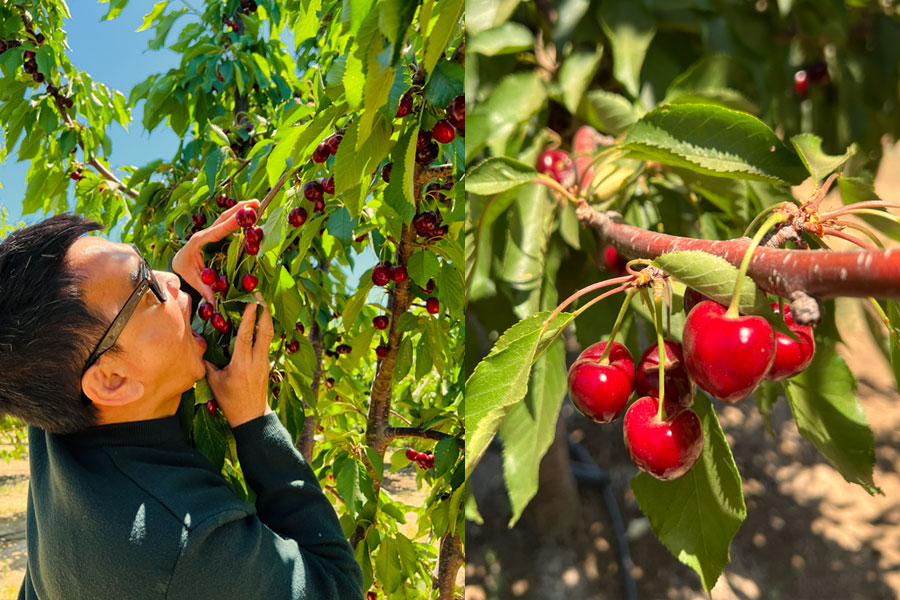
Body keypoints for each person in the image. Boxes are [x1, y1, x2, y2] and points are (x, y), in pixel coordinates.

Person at [0, 203, 364, 599]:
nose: (170, 279)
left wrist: (184, 289)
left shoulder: (55, 404)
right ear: (111, 380)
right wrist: (255, 422)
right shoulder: (188, 543)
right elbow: (338, 588)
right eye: (147, 286)